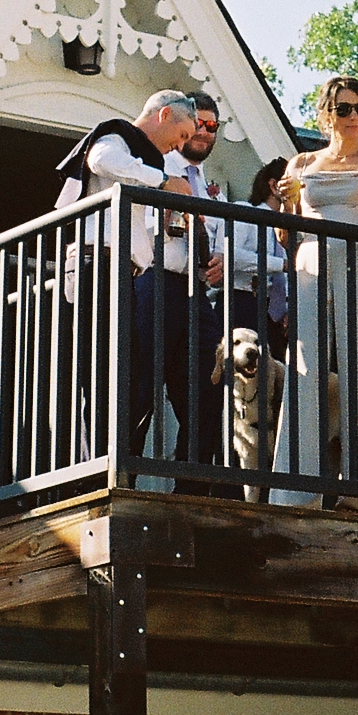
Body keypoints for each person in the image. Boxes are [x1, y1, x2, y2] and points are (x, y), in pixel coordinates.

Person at [268, 77, 358, 511]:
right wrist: (287, 206)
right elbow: (284, 236)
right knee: (306, 371)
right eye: (345, 108)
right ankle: (296, 491)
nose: (355, 117)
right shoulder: (301, 163)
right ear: (327, 113)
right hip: (311, 265)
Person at [53, 90, 199, 467]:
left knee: (124, 372)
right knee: (102, 370)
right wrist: (162, 181)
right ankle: (93, 468)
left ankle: (110, 462)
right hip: (96, 264)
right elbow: (101, 160)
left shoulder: (144, 158)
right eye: (181, 135)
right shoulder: (117, 136)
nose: (178, 147)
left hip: (123, 270)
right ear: (164, 114)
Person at [133, 91, 229, 493]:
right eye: (198, 125)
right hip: (154, 281)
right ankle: (120, 482)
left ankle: (189, 490)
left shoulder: (213, 188)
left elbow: (222, 240)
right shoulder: (156, 165)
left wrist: (222, 257)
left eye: (212, 127)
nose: (204, 133)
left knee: (206, 393)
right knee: (136, 389)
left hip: (195, 294)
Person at [213, 156, 290, 360]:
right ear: (273, 185)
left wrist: (289, 309)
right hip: (241, 301)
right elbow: (230, 255)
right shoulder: (245, 212)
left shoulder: (289, 227)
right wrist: (281, 265)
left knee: (272, 373)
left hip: (273, 313)